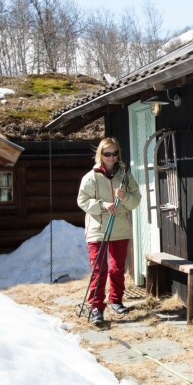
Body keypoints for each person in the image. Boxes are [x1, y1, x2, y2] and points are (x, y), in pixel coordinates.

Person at [77, 138, 142, 327]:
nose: (111, 157)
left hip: (120, 228)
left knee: (117, 268)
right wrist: (103, 205)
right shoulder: (91, 177)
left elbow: (136, 200)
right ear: (100, 155)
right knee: (100, 269)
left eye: (114, 153)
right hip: (98, 230)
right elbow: (82, 201)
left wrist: (125, 196)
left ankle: (116, 300)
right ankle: (96, 306)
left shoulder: (125, 175)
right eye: (107, 154)